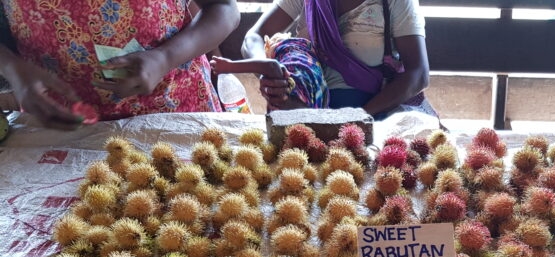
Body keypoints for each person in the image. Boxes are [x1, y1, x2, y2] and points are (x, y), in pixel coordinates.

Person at [0, 0, 240, 129]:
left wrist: (165, 58)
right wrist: (12, 68)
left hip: (175, 109)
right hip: (57, 119)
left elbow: (225, 7)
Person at [240, 0, 433, 118]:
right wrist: (269, 71)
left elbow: (418, 73)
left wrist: (359, 116)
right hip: (305, 115)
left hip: (374, 114)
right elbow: (254, 37)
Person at [211, 33, 329, 109]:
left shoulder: (283, 49)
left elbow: (271, 66)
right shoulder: (308, 52)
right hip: (315, 96)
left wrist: (229, 66)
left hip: (294, 92)